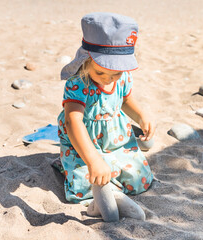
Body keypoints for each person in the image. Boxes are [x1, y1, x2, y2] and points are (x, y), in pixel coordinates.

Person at [57, 12, 155, 221]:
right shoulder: (78, 82)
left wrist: (141, 116)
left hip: (114, 140)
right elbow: (72, 121)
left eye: (116, 73)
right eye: (101, 73)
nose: (109, 78)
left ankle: (113, 191)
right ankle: (101, 201)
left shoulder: (122, 76)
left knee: (140, 178)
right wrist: (93, 160)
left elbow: (126, 100)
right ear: (86, 60)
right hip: (83, 143)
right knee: (85, 182)